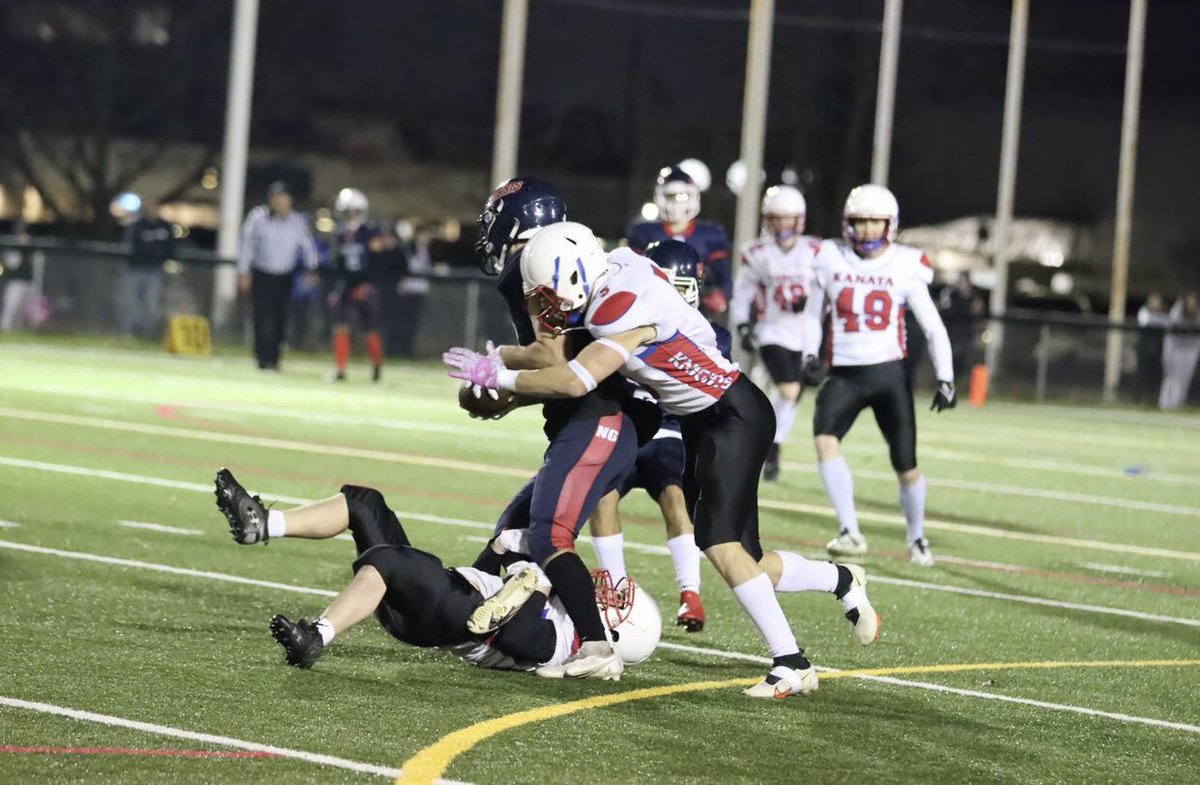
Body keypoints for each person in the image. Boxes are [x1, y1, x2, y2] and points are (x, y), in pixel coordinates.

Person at [445, 221, 880, 699]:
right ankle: (840, 579)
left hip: (731, 416)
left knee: (718, 545)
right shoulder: (616, 270)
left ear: (573, 276)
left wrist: (501, 379)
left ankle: (792, 663)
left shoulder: (617, 310)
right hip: (708, 418)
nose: (545, 307)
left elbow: (574, 380)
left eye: (546, 294)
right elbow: (565, 350)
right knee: (748, 559)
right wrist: (504, 356)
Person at [457, 178, 651, 682]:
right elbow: (559, 370)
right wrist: (506, 393)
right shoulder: (575, 256)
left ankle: (593, 641)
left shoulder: (533, 263)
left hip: (597, 422)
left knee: (547, 534)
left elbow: (554, 357)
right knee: (512, 528)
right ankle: (473, 622)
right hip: (605, 418)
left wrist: (496, 364)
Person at [213, 469, 602, 672]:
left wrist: (538, 581)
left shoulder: (561, 642)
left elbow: (514, 635)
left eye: (617, 601)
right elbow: (481, 578)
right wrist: (499, 550)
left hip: (448, 614)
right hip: (447, 595)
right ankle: (264, 524)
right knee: (363, 503)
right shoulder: (563, 613)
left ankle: (317, 636)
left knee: (388, 560)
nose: (605, 590)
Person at [799, 184, 956, 567]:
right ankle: (850, 530)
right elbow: (812, 314)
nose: (867, 229)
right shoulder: (830, 257)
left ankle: (917, 536)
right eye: (860, 221)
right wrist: (807, 354)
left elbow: (933, 327)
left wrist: (946, 376)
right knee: (824, 439)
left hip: (888, 376)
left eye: (874, 222)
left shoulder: (905, 264)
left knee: (906, 466)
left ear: (891, 225)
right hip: (845, 373)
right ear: (847, 223)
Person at [587, 240, 730, 633]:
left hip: (671, 430)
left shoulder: (707, 334)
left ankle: (690, 593)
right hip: (630, 428)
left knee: (674, 494)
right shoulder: (620, 328)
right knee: (602, 491)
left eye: (683, 289)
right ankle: (613, 588)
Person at [730, 185, 820, 481]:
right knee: (789, 389)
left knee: (790, 397)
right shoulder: (758, 253)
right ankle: (772, 446)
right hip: (773, 330)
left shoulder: (816, 251)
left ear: (800, 219)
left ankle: (773, 446)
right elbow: (742, 292)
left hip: (806, 333)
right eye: (776, 218)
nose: (782, 225)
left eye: (787, 218)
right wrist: (742, 323)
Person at [627, 166, 732, 317]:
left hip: (696, 309)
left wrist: (721, 294)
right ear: (660, 196)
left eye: (682, 196)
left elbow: (723, 274)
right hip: (652, 306)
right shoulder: (644, 232)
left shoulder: (711, 234)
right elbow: (631, 272)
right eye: (671, 196)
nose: (677, 202)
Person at [238, 181, 320, 371]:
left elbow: (308, 246)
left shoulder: (297, 221)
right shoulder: (258, 218)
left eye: (283, 197)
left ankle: (274, 359)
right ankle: (261, 358)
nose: (279, 201)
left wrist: (312, 268)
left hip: (284, 276)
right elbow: (247, 245)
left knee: (280, 318)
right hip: (262, 274)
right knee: (260, 316)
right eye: (276, 197)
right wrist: (244, 272)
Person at [329, 188, 391, 382]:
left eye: (353, 211)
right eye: (347, 211)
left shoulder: (371, 233)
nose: (350, 215)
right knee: (341, 327)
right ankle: (340, 370)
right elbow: (338, 265)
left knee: (369, 329)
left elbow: (379, 263)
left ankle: (376, 367)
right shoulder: (340, 235)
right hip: (347, 285)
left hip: (366, 286)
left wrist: (367, 284)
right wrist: (338, 288)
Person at [118, 199, 174, 337]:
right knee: (130, 300)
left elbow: (171, 248)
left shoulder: (164, 226)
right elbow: (129, 246)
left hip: (155, 270)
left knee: (151, 302)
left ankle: (147, 333)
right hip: (135, 268)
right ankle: (128, 332)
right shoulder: (137, 226)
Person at [938, 272, 983, 386]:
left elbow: (977, 311)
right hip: (952, 332)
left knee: (964, 358)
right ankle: (947, 382)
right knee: (950, 357)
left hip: (966, 333)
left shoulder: (973, 295)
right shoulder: (951, 294)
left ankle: (959, 383)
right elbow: (945, 310)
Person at [1160, 291, 1200, 410]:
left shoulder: (1197, 312)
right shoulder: (1178, 310)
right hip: (1175, 348)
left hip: (1190, 349)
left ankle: (1177, 404)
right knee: (1172, 377)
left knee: (1184, 378)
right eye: (1190, 299)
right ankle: (1165, 404)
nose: (1192, 302)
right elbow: (1172, 324)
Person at [0, 220, 41, 332]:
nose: (25, 237)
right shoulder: (13, 247)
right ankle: (5, 330)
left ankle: (30, 331)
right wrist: (21, 248)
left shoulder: (32, 249)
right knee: (10, 309)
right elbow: (13, 264)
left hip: (30, 283)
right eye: (22, 234)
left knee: (32, 310)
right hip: (16, 283)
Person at [1135, 292, 1170, 404]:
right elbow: (1145, 322)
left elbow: (1168, 324)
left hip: (1157, 349)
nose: (1155, 304)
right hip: (1144, 348)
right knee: (1142, 373)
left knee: (1155, 375)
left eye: (1157, 301)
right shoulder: (1144, 311)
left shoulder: (1163, 314)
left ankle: (1153, 399)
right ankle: (1139, 399)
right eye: (1153, 301)